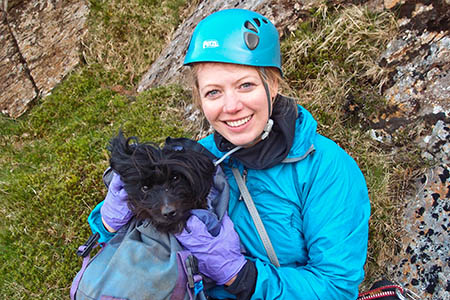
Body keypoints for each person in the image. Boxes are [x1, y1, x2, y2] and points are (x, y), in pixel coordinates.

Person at [88, 8, 371, 300]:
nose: (231, 106)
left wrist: (241, 275)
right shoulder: (197, 160)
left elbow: (336, 288)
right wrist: (107, 222)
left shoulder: (324, 168)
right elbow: (126, 254)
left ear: (272, 84)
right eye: (214, 92)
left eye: (245, 85)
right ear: (200, 99)